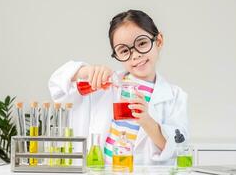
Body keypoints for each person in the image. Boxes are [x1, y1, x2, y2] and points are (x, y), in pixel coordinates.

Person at [48, 9, 188, 165]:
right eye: (124, 51)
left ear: (159, 41)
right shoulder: (107, 84)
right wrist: (87, 71)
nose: (135, 55)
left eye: (142, 43)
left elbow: (178, 146)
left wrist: (147, 121)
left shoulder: (175, 96)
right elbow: (57, 87)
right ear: (116, 55)